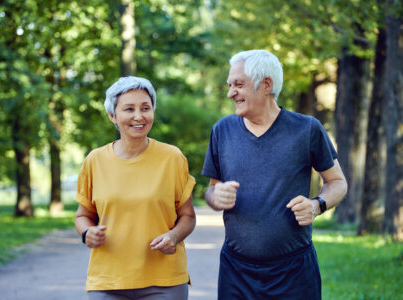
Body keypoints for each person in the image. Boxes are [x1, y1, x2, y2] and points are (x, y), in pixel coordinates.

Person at [202, 49, 348, 299]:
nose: (230, 93)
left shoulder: (307, 129)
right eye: (230, 85)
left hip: (294, 272)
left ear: (266, 84)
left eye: (238, 84)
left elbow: (337, 182)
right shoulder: (222, 130)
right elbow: (212, 190)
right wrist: (215, 196)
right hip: (236, 272)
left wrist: (317, 205)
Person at [75, 76, 196, 300]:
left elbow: (188, 216)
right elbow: (83, 216)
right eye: (129, 109)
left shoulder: (172, 158)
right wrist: (86, 233)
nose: (138, 116)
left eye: (145, 108)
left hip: (164, 282)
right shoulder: (95, 161)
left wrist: (174, 236)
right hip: (108, 281)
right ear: (113, 116)